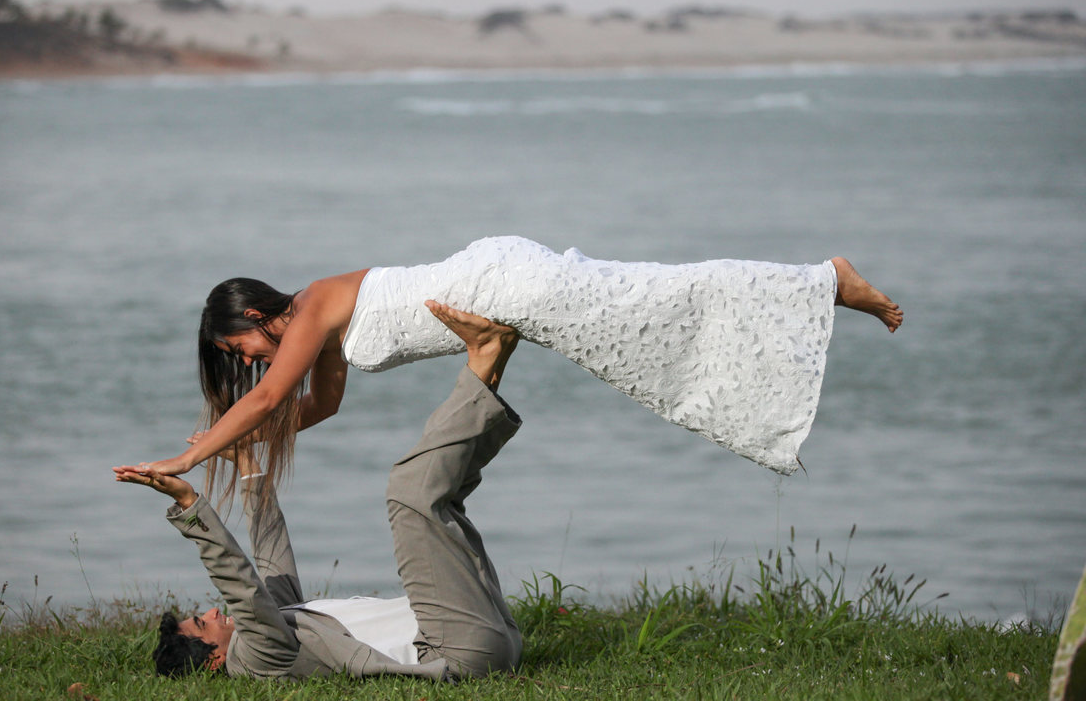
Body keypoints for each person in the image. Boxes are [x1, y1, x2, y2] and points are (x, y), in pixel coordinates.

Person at [117, 236, 902, 490]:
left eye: (238, 350)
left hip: (506, 284)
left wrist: (192, 454)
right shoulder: (315, 330)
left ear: (254, 318)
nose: (247, 366)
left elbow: (262, 404)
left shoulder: (312, 308)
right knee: (646, 320)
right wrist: (235, 443)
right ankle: (818, 288)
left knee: (652, 304)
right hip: (502, 282)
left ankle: (824, 282)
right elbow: (315, 410)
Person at [114, 303, 524, 681]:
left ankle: (491, 360)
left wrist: (244, 462)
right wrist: (188, 505)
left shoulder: (281, 627)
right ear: (214, 658)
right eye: (203, 624)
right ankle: (483, 363)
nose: (212, 611)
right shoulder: (256, 655)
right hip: (459, 650)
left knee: (441, 500)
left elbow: (270, 553)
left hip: (484, 630)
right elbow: (239, 584)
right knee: (409, 494)